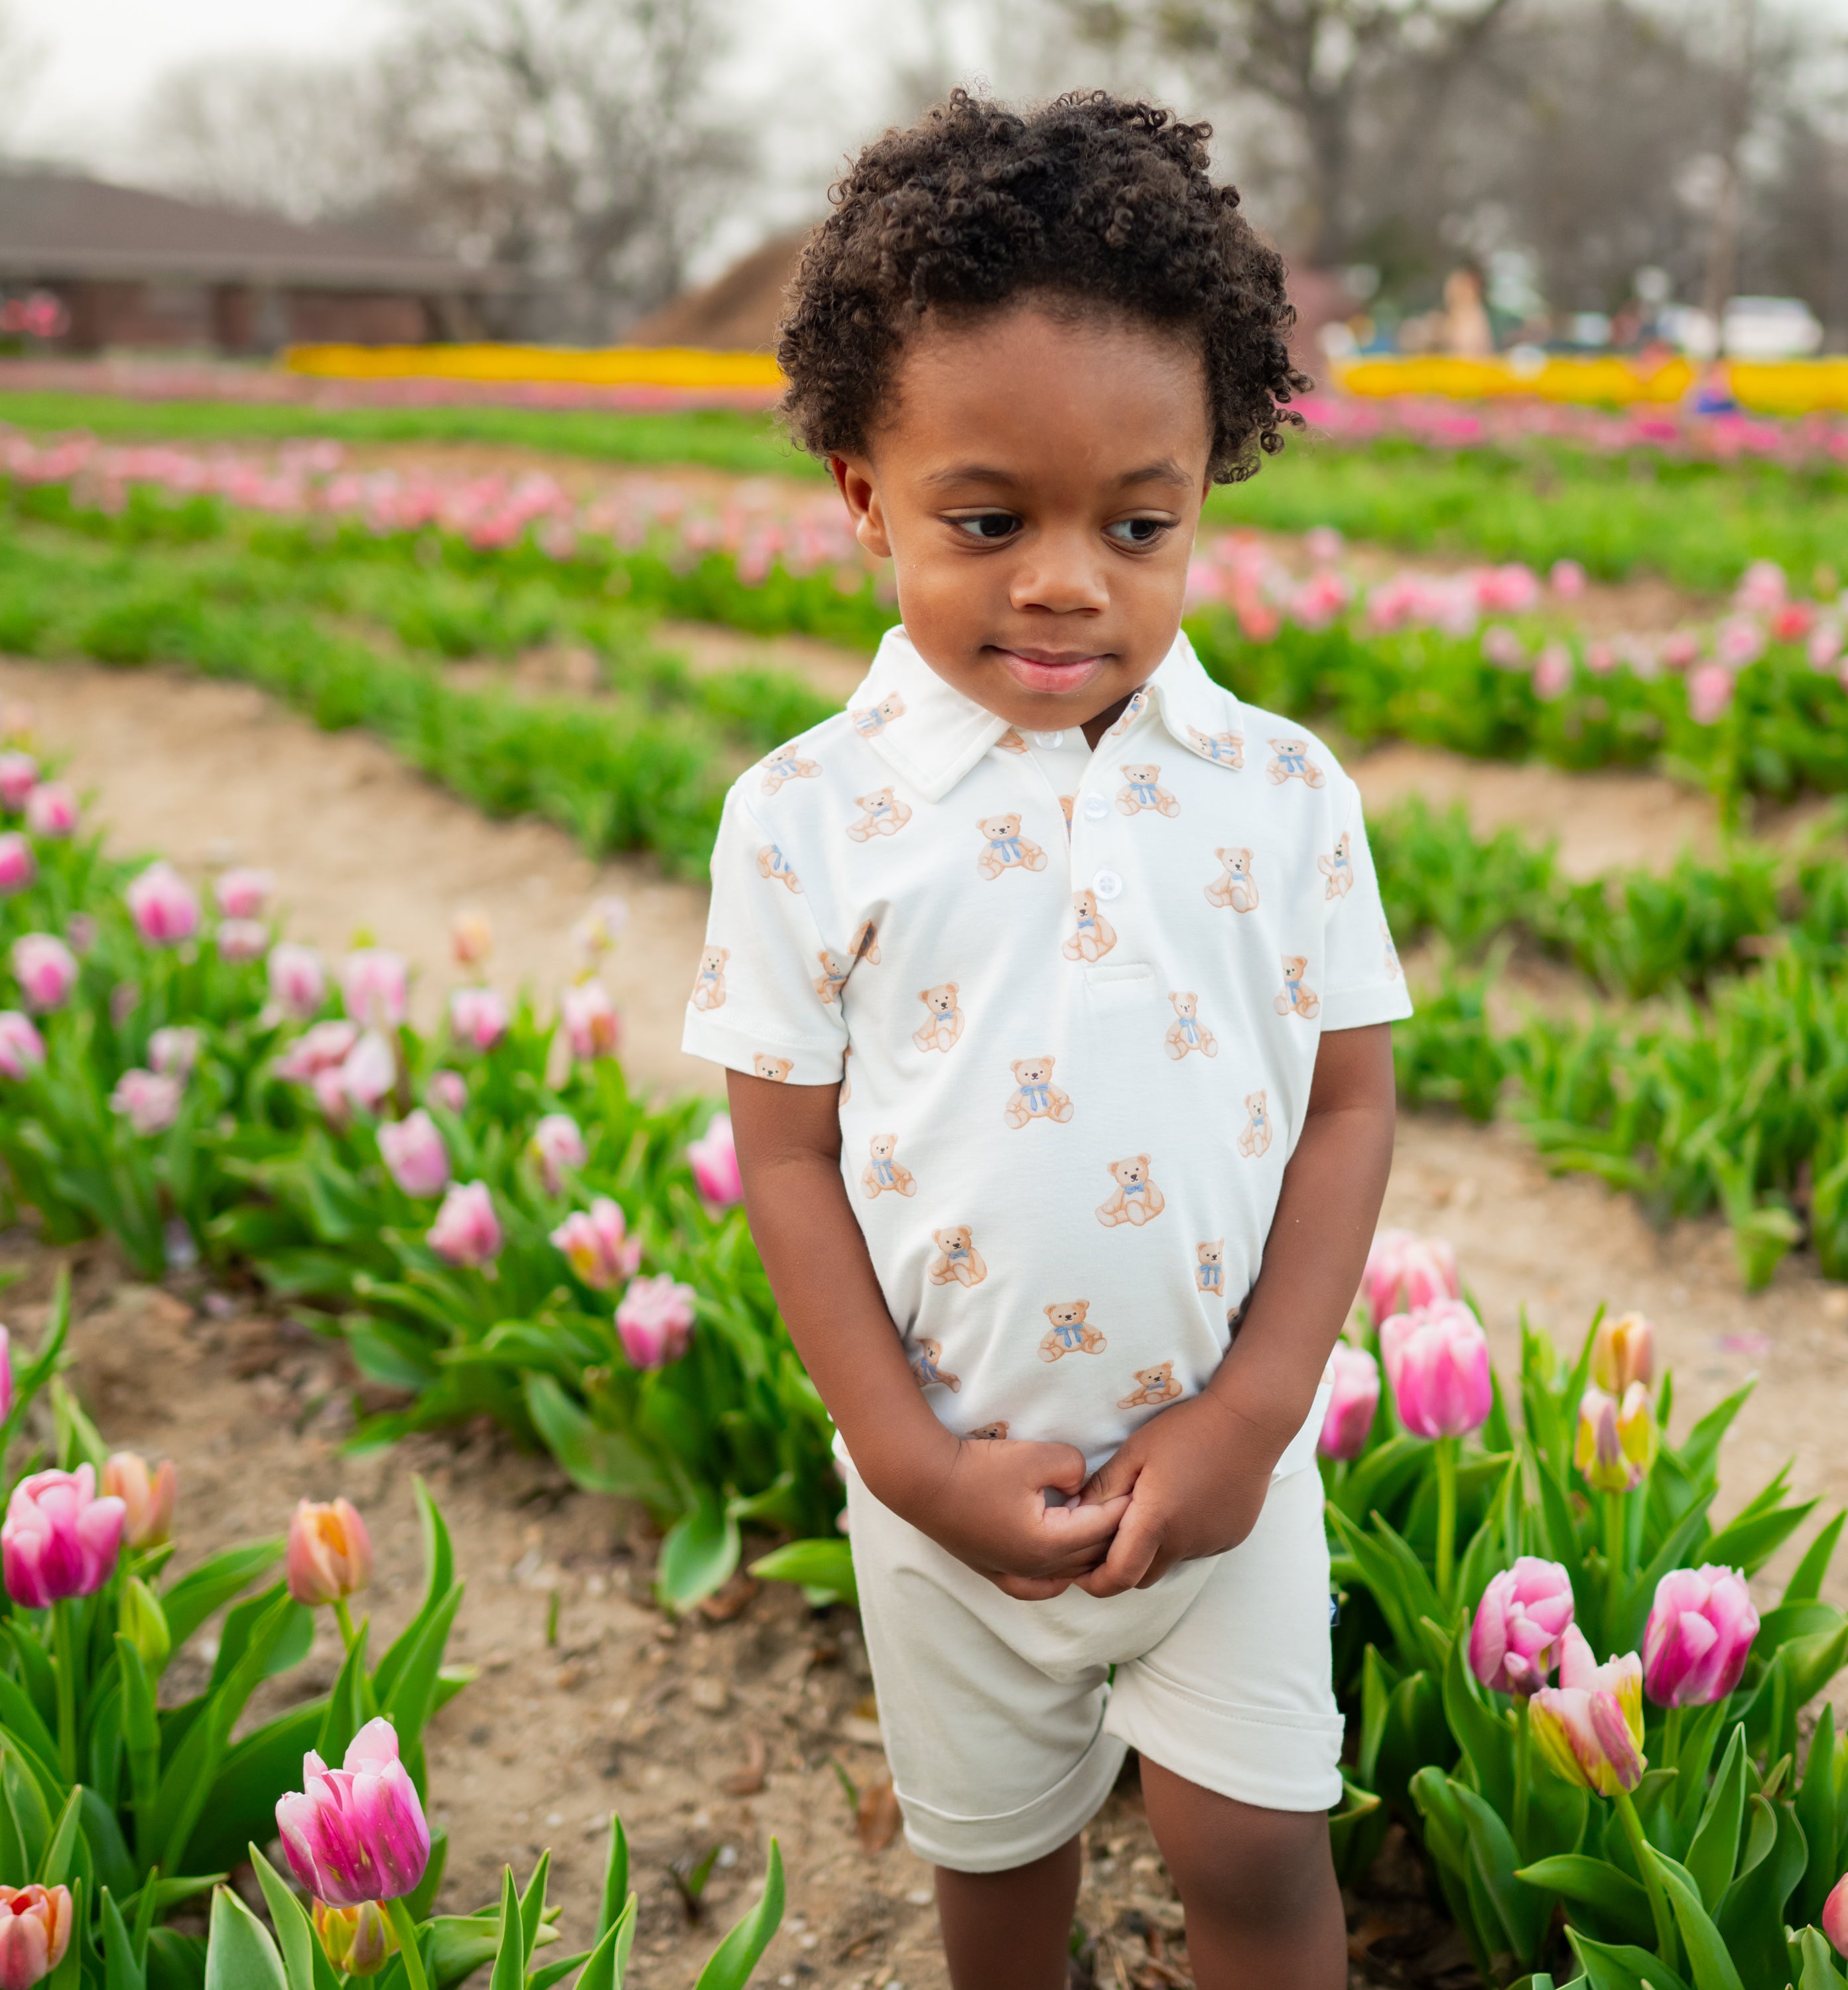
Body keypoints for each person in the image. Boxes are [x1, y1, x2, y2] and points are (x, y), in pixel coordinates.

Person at [682, 89, 1408, 1990]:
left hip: (1222, 1468)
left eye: (1139, 523)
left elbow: (1347, 1108)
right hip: (948, 1482)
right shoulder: (805, 816)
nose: (1069, 578)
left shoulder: (1281, 792)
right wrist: (908, 1463)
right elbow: (784, 1154)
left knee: (1256, 1852)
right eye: (989, 521)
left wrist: (1253, 1420)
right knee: (999, 1875)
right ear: (865, 493)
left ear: (1209, 484)